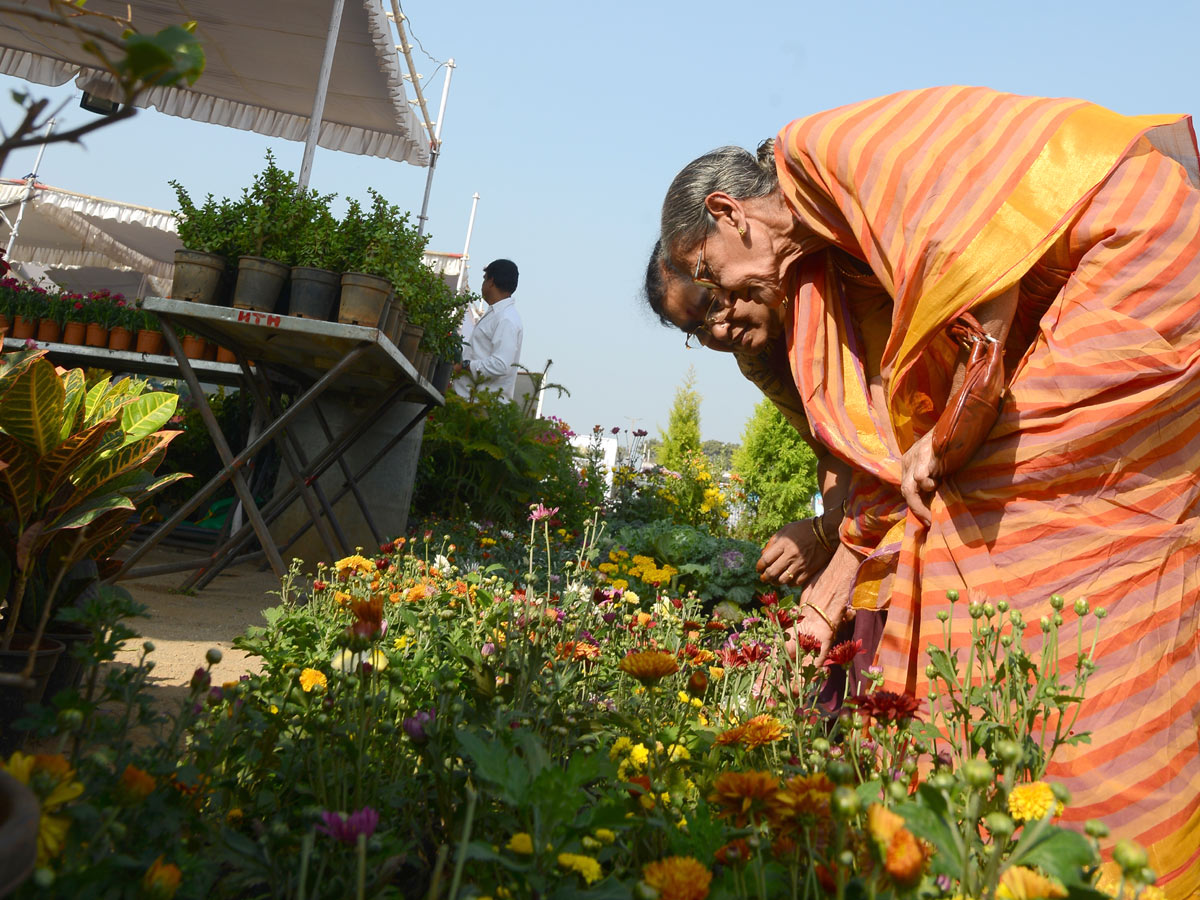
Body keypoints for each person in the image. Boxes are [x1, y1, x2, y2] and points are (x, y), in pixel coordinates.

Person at [654, 85, 1200, 895]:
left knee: (975, 530)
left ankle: (1054, 835)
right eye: (701, 322)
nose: (725, 310)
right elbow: (872, 438)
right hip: (1136, 258)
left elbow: (975, 251)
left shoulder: (816, 156)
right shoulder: (822, 255)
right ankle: (1027, 827)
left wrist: (950, 436)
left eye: (709, 281)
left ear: (729, 213)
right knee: (1020, 542)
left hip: (1137, 256)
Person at [453, 258, 523, 400]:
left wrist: (465, 366)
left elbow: (501, 365)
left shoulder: (506, 318)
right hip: (470, 401)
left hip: (481, 405)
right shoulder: (497, 314)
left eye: (484, 279)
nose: (482, 284)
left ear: (491, 281)